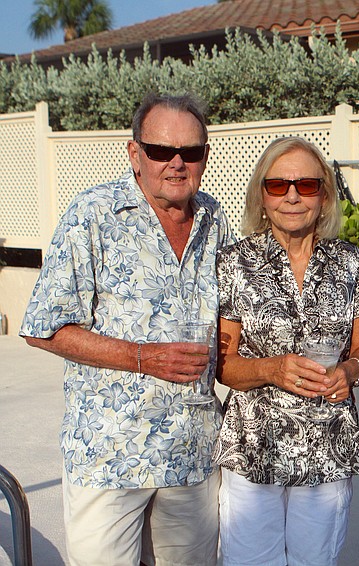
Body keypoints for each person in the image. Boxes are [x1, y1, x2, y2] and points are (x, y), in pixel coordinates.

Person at [19, 92, 234, 565]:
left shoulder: (215, 220)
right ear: (135, 153)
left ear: (205, 155)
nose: (176, 163)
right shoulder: (92, 214)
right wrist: (143, 357)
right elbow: (44, 327)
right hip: (110, 454)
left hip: (191, 453)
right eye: (160, 150)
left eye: (190, 151)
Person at [213, 137, 359, 565]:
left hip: (328, 442)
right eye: (278, 185)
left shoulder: (351, 262)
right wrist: (270, 369)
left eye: (306, 185)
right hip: (253, 445)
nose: (291, 196)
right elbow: (223, 365)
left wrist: (351, 371)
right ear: (261, 196)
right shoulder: (234, 263)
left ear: (324, 196)